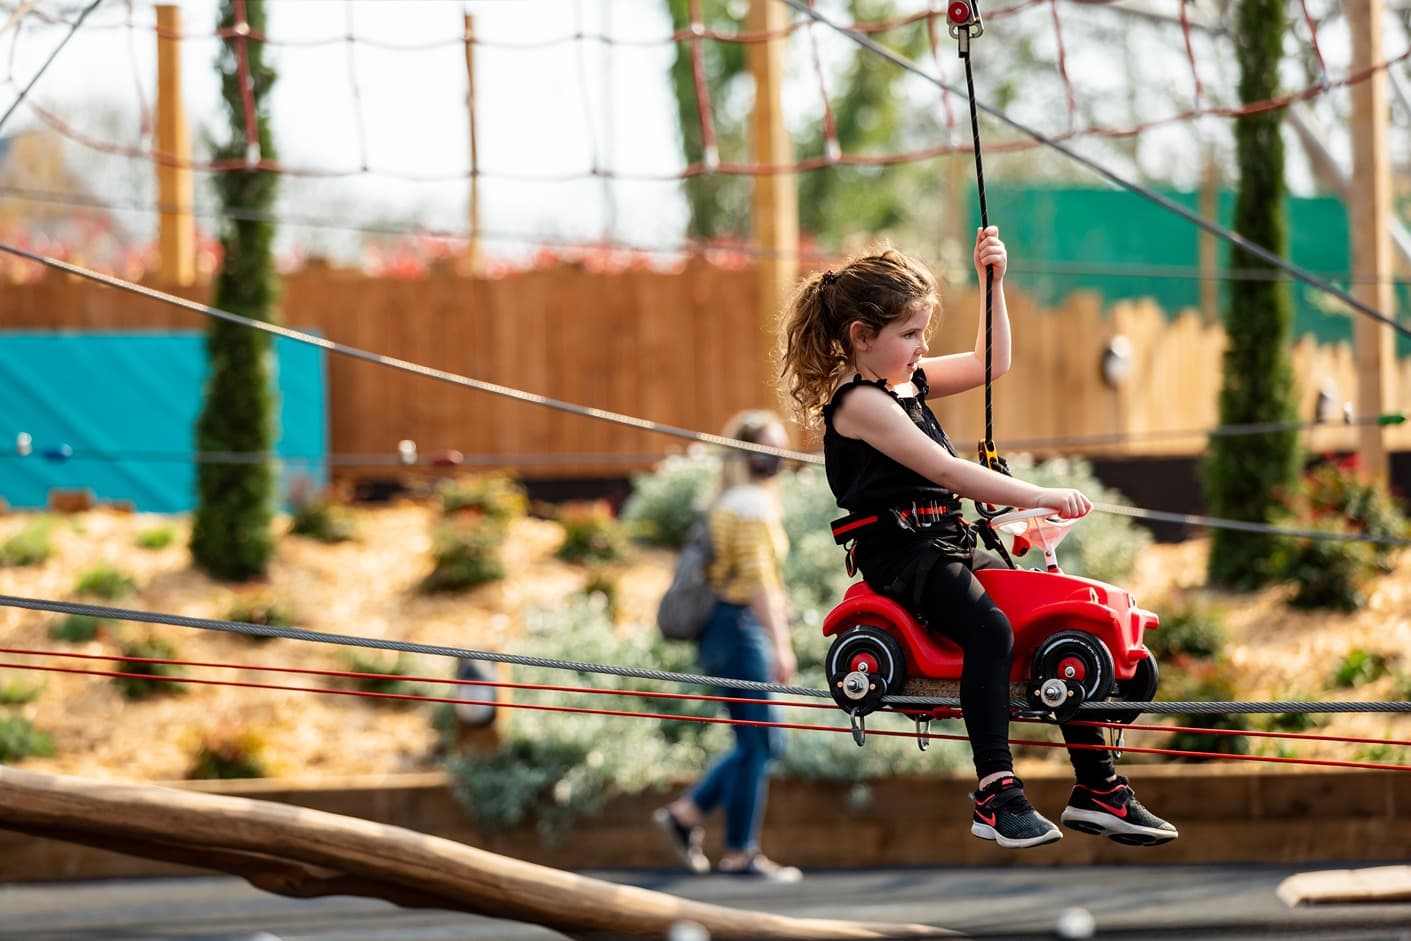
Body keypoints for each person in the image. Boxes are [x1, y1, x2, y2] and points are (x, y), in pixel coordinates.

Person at [776, 228, 1178, 850]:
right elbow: (945, 471)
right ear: (862, 337)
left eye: (922, 334)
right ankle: (995, 792)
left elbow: (991, 363)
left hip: (945, 541)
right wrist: (1037, 496)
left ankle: (1098, 789)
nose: (921, 346)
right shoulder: (859, 404)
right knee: (990, 629)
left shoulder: (902, 386)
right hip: (903, 553)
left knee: (1047, 616)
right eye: (909, 335)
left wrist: (995, 283)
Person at [653, 410, 803, 881]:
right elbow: (758, 581)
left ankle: (687, 816)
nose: (779, 461)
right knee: (759, 741)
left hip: (725, 628)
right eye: (770, 452)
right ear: (753, 458)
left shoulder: (731, 501)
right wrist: (781, 644)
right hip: (740, 628)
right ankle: (738, 851)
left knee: (760, 741)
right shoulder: (750, 507)